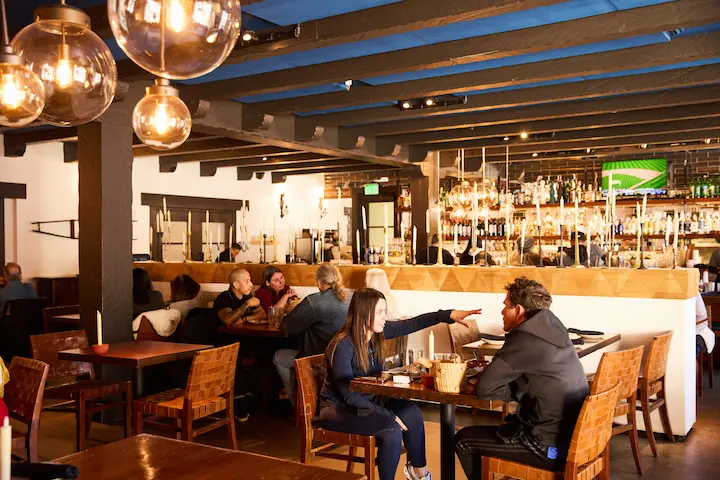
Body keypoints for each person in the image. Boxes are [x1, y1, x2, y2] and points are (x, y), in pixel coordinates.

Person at [318, 287, 480, 480]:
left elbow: (413, 323)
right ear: (362, 313)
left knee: (410, 412)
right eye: (378, 312)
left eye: (384, 311)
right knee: (391, 429)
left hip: (368, 401)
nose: (384, 317)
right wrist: (389, 415)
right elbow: (348, 395)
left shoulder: (376, 333)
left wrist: (447, 315)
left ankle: (419, 472)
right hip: (338, 409)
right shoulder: (343, 345)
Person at [454, 277, 590, 479]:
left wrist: (516, 389)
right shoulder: (555, 328)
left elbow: (484, 389)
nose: (501, 312)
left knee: (463, 440)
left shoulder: (525, 337)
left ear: (518, 310)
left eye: (506, 306)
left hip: (547, 447)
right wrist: (522, 388)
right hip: (573, 440)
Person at [273, 264, 349, 406]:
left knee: (279, 357)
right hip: (345, 358)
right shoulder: (351, 298)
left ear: (319, 282)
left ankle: (300, 404)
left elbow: (286, 327)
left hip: (319, 359)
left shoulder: (314, 301)